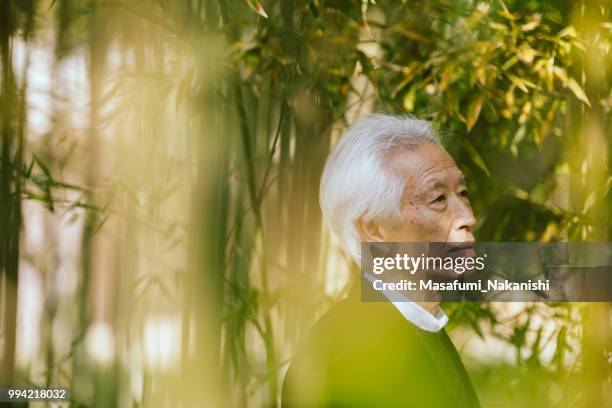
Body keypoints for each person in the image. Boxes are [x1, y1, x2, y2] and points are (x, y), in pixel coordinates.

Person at [281, 114, 481, 407]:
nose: (468, 217)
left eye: (462, 193)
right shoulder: (349, 357)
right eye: (438, 199)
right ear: (374, 229)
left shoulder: (418, 323)